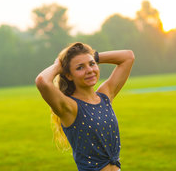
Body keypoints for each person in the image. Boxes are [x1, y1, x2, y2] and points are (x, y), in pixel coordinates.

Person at [35, 42, 134, 171]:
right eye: (80, 67)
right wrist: (58, 66)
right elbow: (42, 81)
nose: (89, 70)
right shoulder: (69, 107)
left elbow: (128, 57)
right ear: (69, 75)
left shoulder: (105, 96)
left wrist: (94, 56)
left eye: (92, 64)